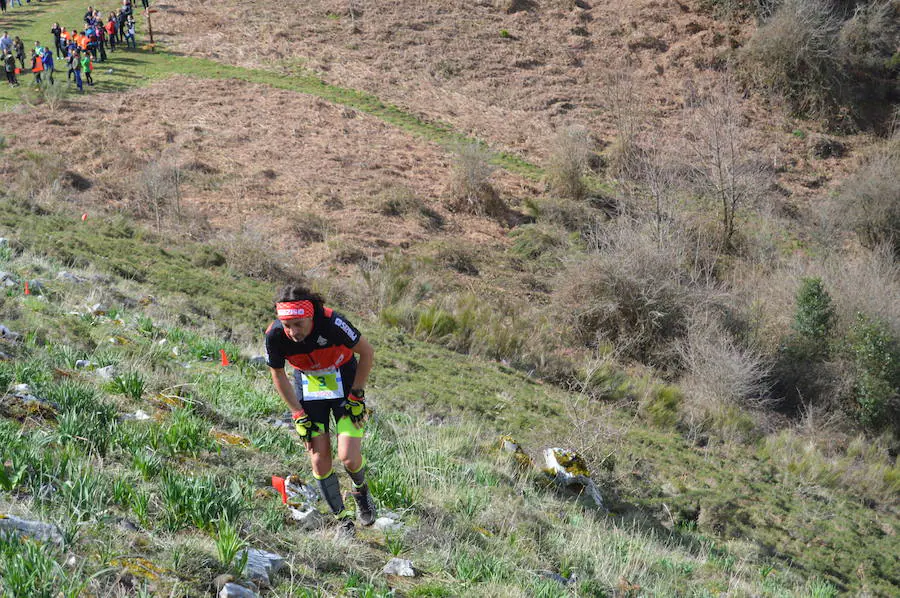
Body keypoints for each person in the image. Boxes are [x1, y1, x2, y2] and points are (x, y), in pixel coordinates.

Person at [265, 285, 377, 534]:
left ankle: (361, 492)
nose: (292, 332)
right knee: (319, 458)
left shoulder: (333, 323)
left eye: (298, 324)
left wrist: (357, 394)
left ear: (311, 316)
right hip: (309, 389)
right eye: (287, 325)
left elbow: (367, 352)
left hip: (345, 382)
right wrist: (296, 412)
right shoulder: (274, 335)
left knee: (348, 456)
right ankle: (343, 519)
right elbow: (278, 372)